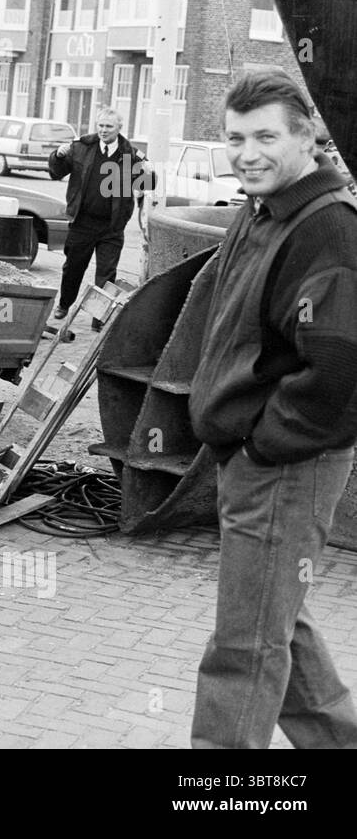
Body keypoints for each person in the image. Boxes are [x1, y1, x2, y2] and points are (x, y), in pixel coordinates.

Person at [189, 70, 357, 749]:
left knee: (244, 648)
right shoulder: (263, 212)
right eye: (235, 137)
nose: (247, 151)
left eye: (265, 136)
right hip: (257, 459)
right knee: (276, 623)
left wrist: (264, 445)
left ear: (306, 136)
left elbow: (341, 371)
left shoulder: (327, 231)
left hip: (287, 465)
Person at [46, 107, 149, 329]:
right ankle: (64, 305)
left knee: (106, 274)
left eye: (108, 126)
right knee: (73, 267)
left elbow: (147, 183)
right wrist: (58, 156)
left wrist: (144, 183)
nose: (103, 130)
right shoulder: (81, 147)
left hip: (111, 227)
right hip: (82, 222)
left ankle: (98, 318)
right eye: (100, 125)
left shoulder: (131, 154)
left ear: (120, 128)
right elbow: (56, 172)